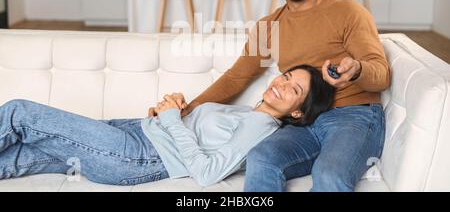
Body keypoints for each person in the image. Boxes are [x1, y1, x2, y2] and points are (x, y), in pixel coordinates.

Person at [150, 0, 391, 192]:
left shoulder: (347, 12)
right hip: (301, 121)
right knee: (261, 158)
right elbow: (237, 77)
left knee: (329, 174)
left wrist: (356, 70)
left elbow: (381, 74)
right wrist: (189, 108)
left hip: (352, 115)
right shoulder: (269, 26)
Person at [0, 65, 334, 187]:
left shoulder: (261, 127)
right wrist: (173, 111)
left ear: (297, 112)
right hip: (135, 132)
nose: (282, 84)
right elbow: (194, 133)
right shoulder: (249, 112)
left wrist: (173, 119)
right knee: (21, 154)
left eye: (295, 90)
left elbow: (206, 174)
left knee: (20, 113)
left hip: (135, 155)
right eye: (287, 76)